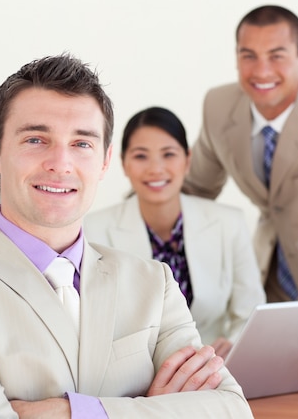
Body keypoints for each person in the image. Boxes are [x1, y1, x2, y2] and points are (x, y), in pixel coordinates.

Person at [0, 54, 253, 418]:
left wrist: (67, 412)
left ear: (105, 161)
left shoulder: (153, 284)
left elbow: (232, 411)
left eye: (81, 144)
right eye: (35, 139)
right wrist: (149, 408)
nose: (60, 163)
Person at [184, 5, 298, 305]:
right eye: (248, 55)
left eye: (276, 56)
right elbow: (195, 192)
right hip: (265, 282)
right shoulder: (218, 105)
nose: (262, 71)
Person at [85, 107, 265, 359]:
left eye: (168, 154)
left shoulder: (228, 223)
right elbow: (92, 323)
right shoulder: (92, 229)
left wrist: (234, 344)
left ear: (187, 160)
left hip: (213, 369)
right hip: (133, 377)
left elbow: (251, 312)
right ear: (123, 163)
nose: (156, 169)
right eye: (140, 156)